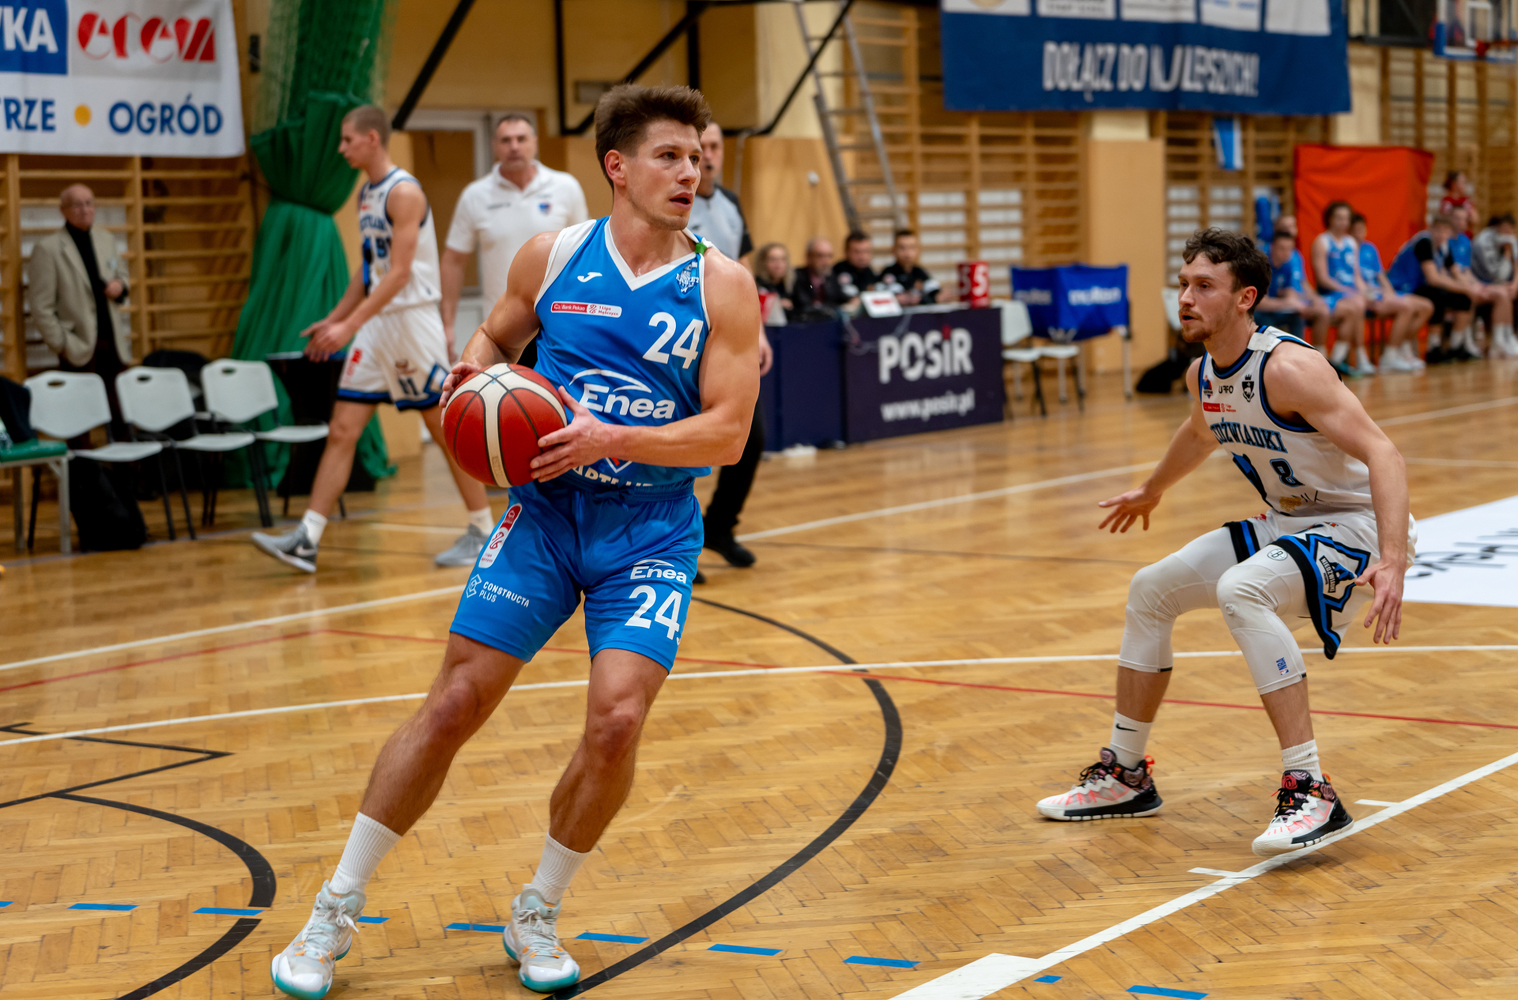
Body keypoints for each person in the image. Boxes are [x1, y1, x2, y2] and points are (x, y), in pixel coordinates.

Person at [267, 84, 761, 999]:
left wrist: (613, 438)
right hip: (545, 517)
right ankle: (334, 907)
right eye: (668, 156)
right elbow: (493, 338)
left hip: (650, 533)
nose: (689, 173)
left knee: (617, 720)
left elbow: (728, 434)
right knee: (454, 702)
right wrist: (473, 378)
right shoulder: (553, 256)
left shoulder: (723, 286)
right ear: (617, 167)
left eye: (695, 158)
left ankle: (538, 907)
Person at [1037, 227, 1414, 858]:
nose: (1186, 298)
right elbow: (1198, 433)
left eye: (1204, 286)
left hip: (1357, 528)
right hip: (1289, 520)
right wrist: (1151, 490)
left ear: (1245, 298)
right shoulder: (1203, 374)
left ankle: (1310, 787)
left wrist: (1394, 560)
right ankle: (1126, 775)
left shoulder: (1289, 368)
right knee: (1150, 589)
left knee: (1242, 590)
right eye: (1183, 284)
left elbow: (1385, 454)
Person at [251, 106, 493, 573]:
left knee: (442, 428)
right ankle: (307, 538)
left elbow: (399, 274)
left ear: (372, 139)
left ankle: (484, 529)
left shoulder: (404, 192)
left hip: (410, 320)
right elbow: (369, 271)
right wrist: (334, 318)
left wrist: (348, 327)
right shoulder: (366, 193)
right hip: (378, 324)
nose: (341, 148)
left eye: (348, 139)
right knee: (342, 429)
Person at [687, 119, 773, 581]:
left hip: (729, 340)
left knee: (750, 438)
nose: (710, 154)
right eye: (701, 146)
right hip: (683, 340)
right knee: (682, 445)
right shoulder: (672, 204)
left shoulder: (732, 204)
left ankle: (719, 527)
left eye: (715, 146)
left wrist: (757, 332)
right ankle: (680, 547)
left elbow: (743, 268)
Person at [441, 114, 589, 369]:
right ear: (494, 146)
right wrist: (447, 325)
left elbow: (584, 253)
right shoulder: (475, 196)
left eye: (521, 139)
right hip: (502, 331)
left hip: (558, 325)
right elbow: (453, 261)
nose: (514, 146)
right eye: (506, 140)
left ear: (534, 142)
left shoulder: (566, 187)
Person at [28, 185, 132, 429]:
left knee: (121, 413)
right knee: (78, 418)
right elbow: (41, 307)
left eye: (89, 203)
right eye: (77, 204)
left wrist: (120, 285)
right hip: (78, 343)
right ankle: (82, 455)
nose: (84, 210)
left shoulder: (106, 239)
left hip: (112, 340)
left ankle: (125, 454)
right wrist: (63, 344)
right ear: (63, 210)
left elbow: (122, 275)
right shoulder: (48, 249)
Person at [1350, 213, 1432, 373]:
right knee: (1406, 307)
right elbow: (1353, 280)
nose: (1360, 233)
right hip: (1365, 296)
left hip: (1378, 292)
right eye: (1356, 230)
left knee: (1426, 306)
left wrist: (1390, 293)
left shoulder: (1370, 248)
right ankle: (1390, 355)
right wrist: (1369, 296)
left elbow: (1381, 275)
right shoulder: (1348, 249)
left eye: (1362, 229)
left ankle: (1401, 347)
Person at [1386, 213, 1472, 365]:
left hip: (1421, 286)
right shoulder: (1424, 242)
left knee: (1463, 299)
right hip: (1402, 286)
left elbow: (1456, 273)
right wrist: (1464, 287)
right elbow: (1433, 278)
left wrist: (1470, 287)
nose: (1441, 234)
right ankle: (1433, 347)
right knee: (1436, 296)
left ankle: (1455, 345)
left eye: (1445, 231)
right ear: (1431, 229)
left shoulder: (1445, 246)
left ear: (1450, 233)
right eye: (1438, 230)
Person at [1309, 202, 1374, 376]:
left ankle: (1337, 359)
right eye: (1338, 217)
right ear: (1329, 219)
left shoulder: (1351, 242)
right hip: (1329, 294)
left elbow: (1357, 276)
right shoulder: (1322, 242)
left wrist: (1365, 291)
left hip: (1349, 295)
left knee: (1360, 303)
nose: (1343, 222)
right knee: (1356, 306)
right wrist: (1347, 291)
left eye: (1346, 218)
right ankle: (1354, 356)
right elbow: (1322, 278)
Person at [1440, 205, 1500, 361]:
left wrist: (1478, 285)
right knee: (1469, 296)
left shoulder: (1465, 241)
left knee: (1496, 294)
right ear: (1449, 218)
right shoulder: (1443, 240)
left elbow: (1466, 270)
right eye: (1457, 218)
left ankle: (1497, 342)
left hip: (1462, 282)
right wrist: (1470, 287)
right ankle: (1462, 342)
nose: (1461, 222)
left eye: (1464, 219)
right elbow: (1450, 271)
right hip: (1447, 284)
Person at [1255, 231, 1320, 342]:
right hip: (1260, 312)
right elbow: (1259, 303)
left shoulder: (1290, 263)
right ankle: (1269, 351)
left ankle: (1299, 349)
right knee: (1265, 320)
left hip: (1277, 309)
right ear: (1272, 247)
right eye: (1282, 248)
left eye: (1289, 249)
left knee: (1298, 316)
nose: (1286, 253)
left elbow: (1292, 293)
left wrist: (1301, 304)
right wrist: (1288, 302)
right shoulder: (1260, 264)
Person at [1470, 213, 1518, 358]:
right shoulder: (1483, 242)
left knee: (1508, 291)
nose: (1508, 233)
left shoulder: (1510, 239)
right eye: (1505, 229)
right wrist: (1507, 253)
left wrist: (1515, 284)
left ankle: (1508, 337)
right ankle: (1498, 343)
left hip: (1500, 284)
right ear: (1496, 228)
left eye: (1511, 230)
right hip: (1481, 284)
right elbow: (1499, 275)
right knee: (1503, 294)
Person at [790, 237, 852, 318]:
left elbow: (841, 299)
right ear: (809, 257)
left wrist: (852, 300)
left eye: (829, 256)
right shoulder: (795, 277)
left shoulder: (832, 278)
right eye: (820, 256)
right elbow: (802, 304)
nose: (826, 261)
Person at [879, 229, 941, 306]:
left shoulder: (919, 272)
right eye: (902, 248)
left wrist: (938, 296)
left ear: (918, 250)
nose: (907, 253)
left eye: (911, 247)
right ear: (893, 250)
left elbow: (935, 293)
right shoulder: (887, 273)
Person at [832, 230, 879, 307]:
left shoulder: (870, 273)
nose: (862, 257)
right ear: (846, 252)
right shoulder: (836, 271)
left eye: (866, 251)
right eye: (857, 252)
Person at [753, 242, 794, 322]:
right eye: (773, 260)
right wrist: (776, 305)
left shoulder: (793, 284)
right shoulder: (755, 286)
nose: (778, 265)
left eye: (783, 259)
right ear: (762, 262)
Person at [1439, 170, 1478, 236]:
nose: (1465, 185)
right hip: (1451, 235)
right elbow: (1444, 221)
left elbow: (1475, 220)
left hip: (1465, 235)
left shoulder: (1466, 200)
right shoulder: (1447, 201)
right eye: (1462, 182)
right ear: (1454, 184)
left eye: (1465, 182)